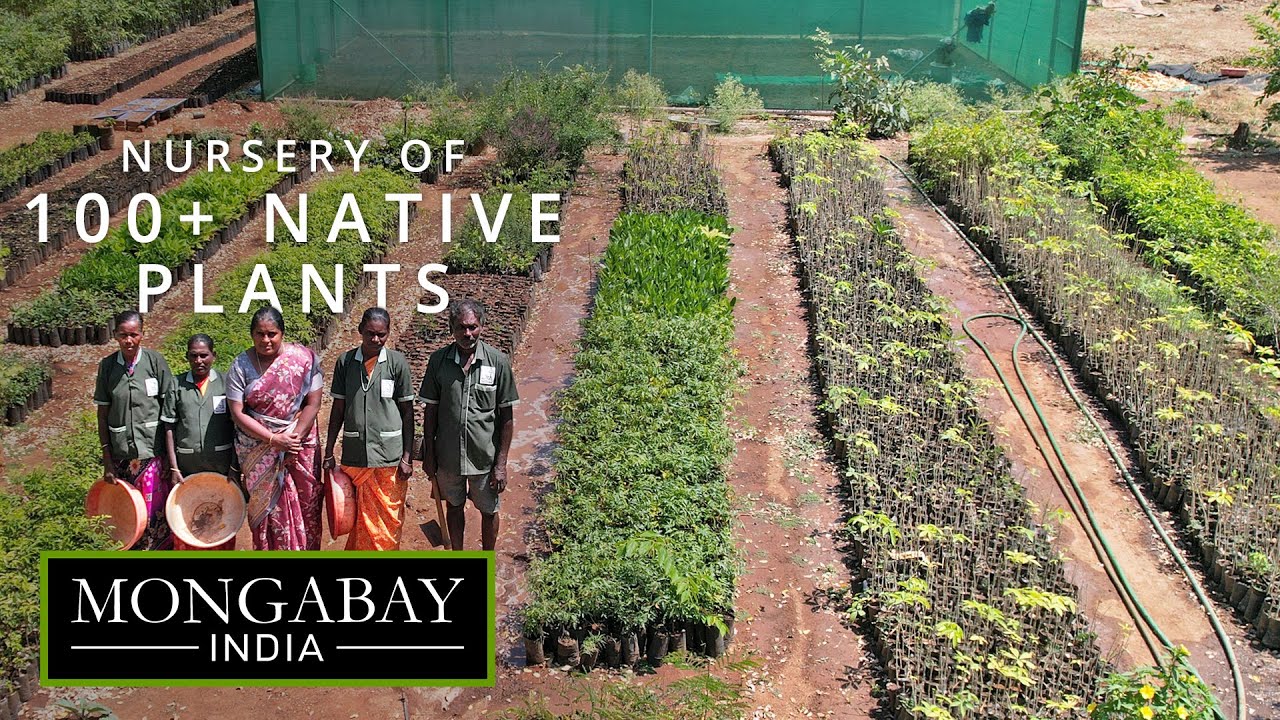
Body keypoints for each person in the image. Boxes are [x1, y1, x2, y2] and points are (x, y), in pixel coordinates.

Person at [418, 298, 518, 551]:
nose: (468, 333)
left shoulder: (497, 362)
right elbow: (431, 411)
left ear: (481, 326)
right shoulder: (438, 361)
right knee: (454, 506)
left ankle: (486, 559)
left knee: (488, 510)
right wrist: (429, 453)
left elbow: (506, 418)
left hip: (484, 457)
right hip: (448, 457)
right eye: (461, 327)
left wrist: (501, 464)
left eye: (473, 327)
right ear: (451, 328)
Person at [226, 306, 324, 550]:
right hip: (259, 447)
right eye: (260, 334)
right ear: (252, 334)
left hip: (299, 445)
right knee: (267, 511)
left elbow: (313, 403)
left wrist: (292, 439)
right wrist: (273, 439)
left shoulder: (304, 359)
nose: (266, 340)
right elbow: (237, 412)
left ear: (282, 333)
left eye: (272, 334)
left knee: (306, 503)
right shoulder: (240, 366)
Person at [323, 307, 416, 550]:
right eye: (370, 333)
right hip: (356, 454)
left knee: (388, 521)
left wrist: (407, 457)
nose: (375, 339)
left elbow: (408, 412)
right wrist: (329, 451)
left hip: (389, 456)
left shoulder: (397, 363)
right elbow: (338, 410)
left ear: (388, 333)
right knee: (360, 518)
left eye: (381, 334)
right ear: (360, 331)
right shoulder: (346, 362)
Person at [93, 310, 177, 550]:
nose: (128, 341)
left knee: (153, 515)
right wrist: (107, 459)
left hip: (152, 454)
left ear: (142, 334)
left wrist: (170, 460)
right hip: (121, 455)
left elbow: (169, 409)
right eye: (123, 335)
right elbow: (103, 414)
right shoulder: (108, 367)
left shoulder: (154, 362)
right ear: (115, 335)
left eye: (134, 335)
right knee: (128, 516)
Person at [163, 334, 237, 550]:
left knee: (223, 521)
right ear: (187, 357)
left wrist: (235, 466)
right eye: (193, 356)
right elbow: (169, 427)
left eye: (204, 355)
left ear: (214, 356)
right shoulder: (177, 385)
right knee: (188, 522)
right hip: (188, 468)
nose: (199, 361)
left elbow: (237, 427)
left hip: (221, 467)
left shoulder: (226, 383)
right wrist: (174, 467)